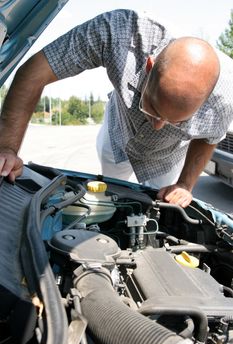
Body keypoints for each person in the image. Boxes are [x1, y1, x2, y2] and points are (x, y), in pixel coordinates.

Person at [0, 9, 232, 208]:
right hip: (117, 138)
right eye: (152, 107)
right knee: (109, 197)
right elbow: (33, 72)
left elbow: (210, 138)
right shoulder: (119, 33)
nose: (158, 125)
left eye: (175, 121)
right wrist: (7, 148)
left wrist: (184, 185)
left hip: (167, 158)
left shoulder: (223, 102)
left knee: (164, 207)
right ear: (149, 66)